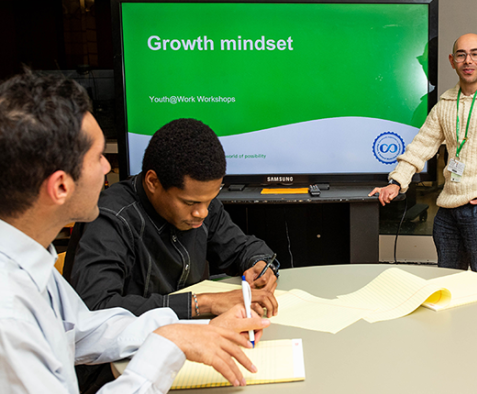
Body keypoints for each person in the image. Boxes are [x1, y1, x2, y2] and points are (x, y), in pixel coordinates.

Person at [0, 70, 270, 393]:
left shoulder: (29, 265)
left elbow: (83, 330)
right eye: (98, 157)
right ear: (61, 185)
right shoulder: (10, 317)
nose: (106, 168)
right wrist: (167, 346)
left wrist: (179, 332)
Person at [68, 118, 279, 320]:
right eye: (189, 203)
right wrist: (201, 303)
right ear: (153, 182)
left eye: (210, 200)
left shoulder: (201, 203)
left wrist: (259, 264)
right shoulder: (111, 218)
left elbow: (240, 248)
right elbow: (97, 306)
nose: (202, 213)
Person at [369, 33, 477, 276]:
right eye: (461, 55)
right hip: (448, 210)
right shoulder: (445, 103)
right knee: (448, 282)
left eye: (475, 54)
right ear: (451, 60)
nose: (468, 61)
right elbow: (421, 145)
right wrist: (397, 182)